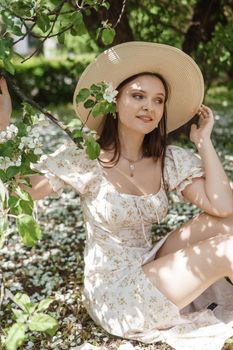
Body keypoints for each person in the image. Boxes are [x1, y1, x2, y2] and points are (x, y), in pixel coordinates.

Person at [1, 41, 233, 350]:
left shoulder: (168, 160)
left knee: (226, 225)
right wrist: (2, 128)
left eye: (158, 99)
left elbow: (223, 206)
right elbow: (22, 189)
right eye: (137, 96)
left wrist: (204, 142)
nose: (149, 106)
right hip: (115, 293)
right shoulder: (87, 157)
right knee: (227, 249)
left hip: (148, 263)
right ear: (114, 101)